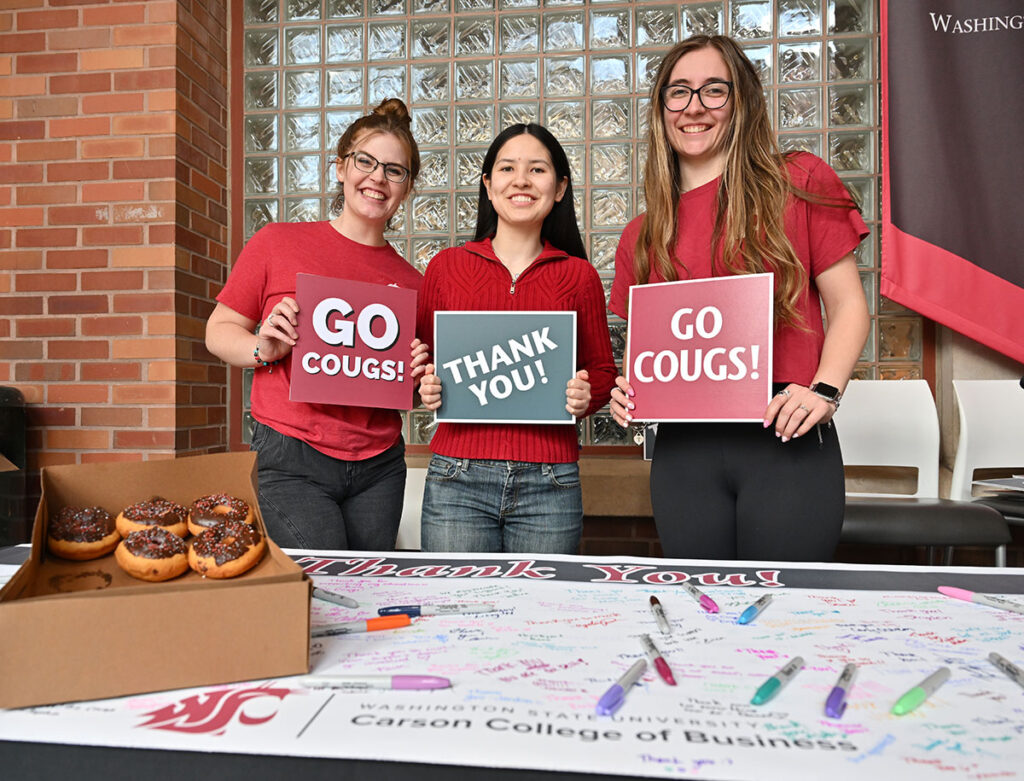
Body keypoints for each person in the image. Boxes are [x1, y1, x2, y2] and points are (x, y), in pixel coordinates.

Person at [608, 35, 870, 562]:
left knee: (785, 614)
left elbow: (849, 307)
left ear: (743, 100)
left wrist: (824, 390)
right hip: (683, 453)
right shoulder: (641, 234)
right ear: (662, 110)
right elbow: (653, 355)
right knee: (699, 619)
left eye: (714, 91)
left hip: (786, 434)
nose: (695, 107)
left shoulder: (799, 180)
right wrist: (628, 395)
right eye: (678, 92)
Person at [205, 98, 428, 551]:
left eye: (394, 170)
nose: (377, 178)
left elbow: (408, 392)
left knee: (368, 588)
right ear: (341, 168)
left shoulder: (414, 283)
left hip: (380, 465)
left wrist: (417, 376)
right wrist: (262, 349)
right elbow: (217, 331)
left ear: (406, 187)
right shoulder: (278, 242)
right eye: (365, 161)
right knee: (325, 588)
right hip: (291, 455)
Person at [415, 123, 617, 554]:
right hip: (457, 479)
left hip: (552, 480)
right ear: (488, 185)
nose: (521, 180)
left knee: (541, 618)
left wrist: (587, 395)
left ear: (560, 187)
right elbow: (417, 361)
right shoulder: (446, 268)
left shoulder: (579, 276)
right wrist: (425, 382)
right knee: (458, 615)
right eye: (507, 168)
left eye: (537, 169)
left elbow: (602, 371)